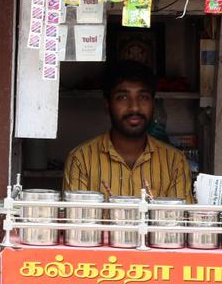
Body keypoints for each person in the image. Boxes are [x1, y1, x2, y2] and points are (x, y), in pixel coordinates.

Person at [63, 60, 194, 202]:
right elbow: (77, 222)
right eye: (123, 97)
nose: (134, 108)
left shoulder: (174, 162)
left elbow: (179, 222)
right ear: (108, 105)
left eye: (143, 97)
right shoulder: (82, 160)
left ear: (153, 104)